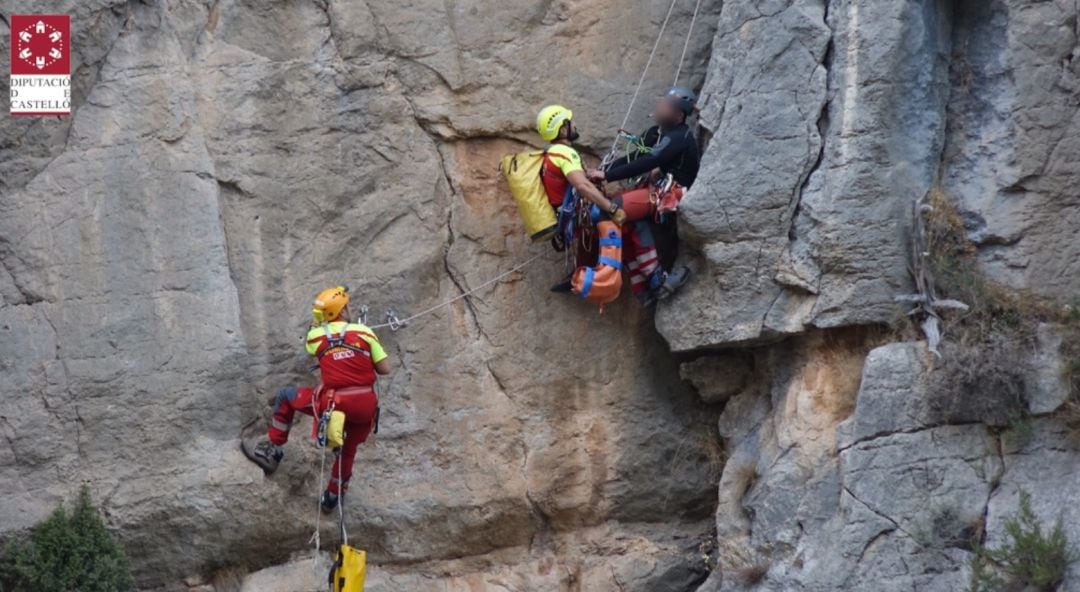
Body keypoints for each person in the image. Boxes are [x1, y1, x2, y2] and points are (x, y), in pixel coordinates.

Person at [242, 285, 390, 514]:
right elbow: (384, 369)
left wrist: (317, 323)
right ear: (342, 310)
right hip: (364, 405)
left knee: (287, 397)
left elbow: (311, 346)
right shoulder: (365, 333)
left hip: (333, 403)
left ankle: (275, 449)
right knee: (348, 451)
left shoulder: (317, 336)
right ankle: (333, 496)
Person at [586, 86, 700, 306]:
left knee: (609, 209)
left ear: (678, 115)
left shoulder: (679, 137)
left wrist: (606, 175)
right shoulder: (658, 134)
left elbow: (649, 161)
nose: (659, 107)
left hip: (671, 193)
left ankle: (656, 280)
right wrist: (601, 172)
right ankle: (643, 288)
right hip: (657, 190)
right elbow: (635, 156)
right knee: (627, 225)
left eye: (666, 106)